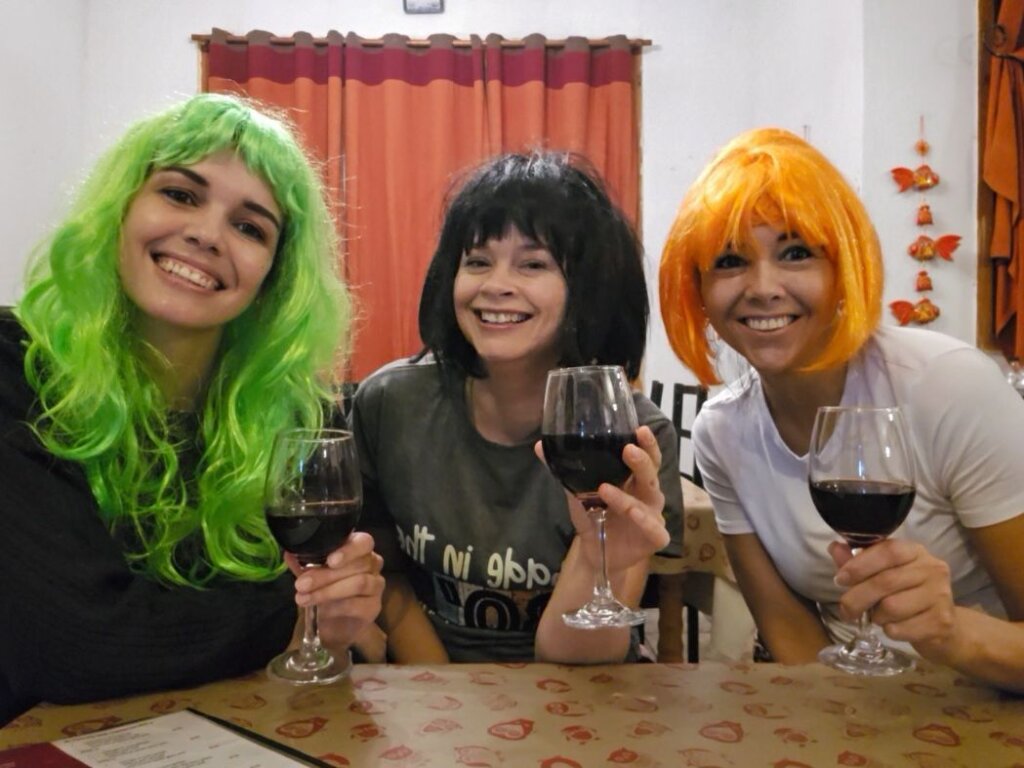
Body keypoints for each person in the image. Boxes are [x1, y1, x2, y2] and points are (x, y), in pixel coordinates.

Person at [0, 93, 385, 724]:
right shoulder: (14, 369)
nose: (207, 234)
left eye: (250, 228)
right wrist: (292, 612)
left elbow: (338, 639)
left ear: (276, 276)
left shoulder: (298, 415)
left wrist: (342, 605)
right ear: (121, 208)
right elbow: (72, 644)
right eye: (180, 195)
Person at [659, 127, 1024, 691]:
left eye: (796, 253)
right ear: (698, 292)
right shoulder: (722, 432)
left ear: (844, 270)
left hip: (985, 705)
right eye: (730, 261)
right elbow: (786, 626)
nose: (763, 287)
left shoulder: (947, 388)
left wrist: (952, 633)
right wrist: (848, 722)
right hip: (847, 707)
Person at [351, 151, 682, 664]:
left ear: (588, 289)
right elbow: (384, 577)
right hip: (427, 689)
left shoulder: (633, 435)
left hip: (577, 689)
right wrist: (445, 687)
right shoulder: (390, 404)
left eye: (533, 264)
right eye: (477, 261)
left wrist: (599, 562)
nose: (495, 285)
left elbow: (579, 662)